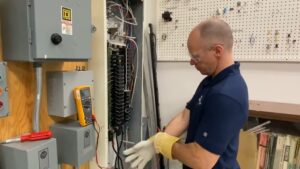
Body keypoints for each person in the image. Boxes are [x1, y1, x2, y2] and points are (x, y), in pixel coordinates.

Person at [123, 18, 248, 169]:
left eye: (196, 57)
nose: (191, 62)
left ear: (217, 51)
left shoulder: (226, 94)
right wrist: (155, 141)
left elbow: (201, 159)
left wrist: (163, 144)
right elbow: (185, 117)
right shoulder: (211, 80)